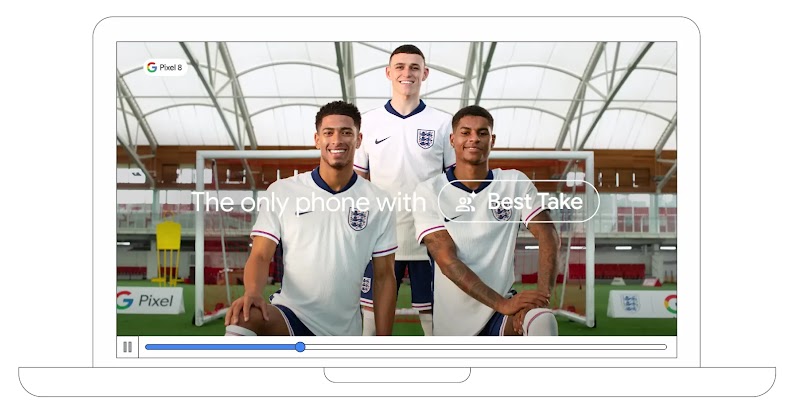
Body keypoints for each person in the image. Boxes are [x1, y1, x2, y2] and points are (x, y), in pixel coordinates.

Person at [224, 101, 398, 336]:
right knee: (245, 318)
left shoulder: (379, 200)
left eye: (347, 132)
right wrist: (253, 293)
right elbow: (261, 254)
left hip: (344, 331)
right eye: (329, 132)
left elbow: (385, 276)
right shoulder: (283, 191)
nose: (337, 140)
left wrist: (384, 342)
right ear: (317, 139)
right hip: (291, 316)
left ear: (358, 140)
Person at [412, 105, 560, 336]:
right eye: (466, 132)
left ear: (492, 140)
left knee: (541, 320)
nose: (474, 138)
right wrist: (503, 304)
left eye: (482, 133)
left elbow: (548, 235)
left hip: (501, 316)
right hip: (453, 324)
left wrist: (540, 297)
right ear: (452, 139)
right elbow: (448, 262)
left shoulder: (514, 183)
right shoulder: (429, 191)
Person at [354, 44, 455, 336]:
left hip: (429, 238)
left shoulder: (442, 123)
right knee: (371, 321)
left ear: (425, 73)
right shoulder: (368, 121)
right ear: (388, 73)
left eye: (414, 67)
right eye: (400, 67)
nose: (406, 73)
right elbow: (358, 182)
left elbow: (452, 182)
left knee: (434, 320)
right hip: (381, 237)